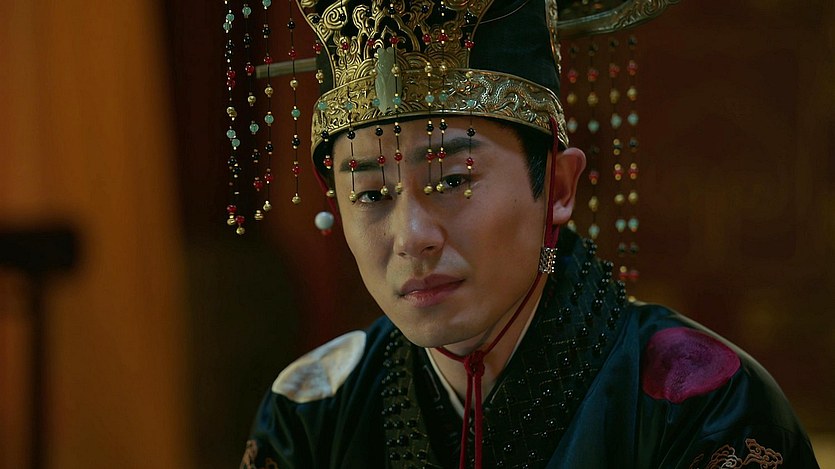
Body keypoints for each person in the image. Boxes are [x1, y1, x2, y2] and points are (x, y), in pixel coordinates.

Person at [234, 0, 820, 467]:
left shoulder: (703, 407)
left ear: (558, 187)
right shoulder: (310, 415)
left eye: (452, 180)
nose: (411, 236)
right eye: (370, 194)